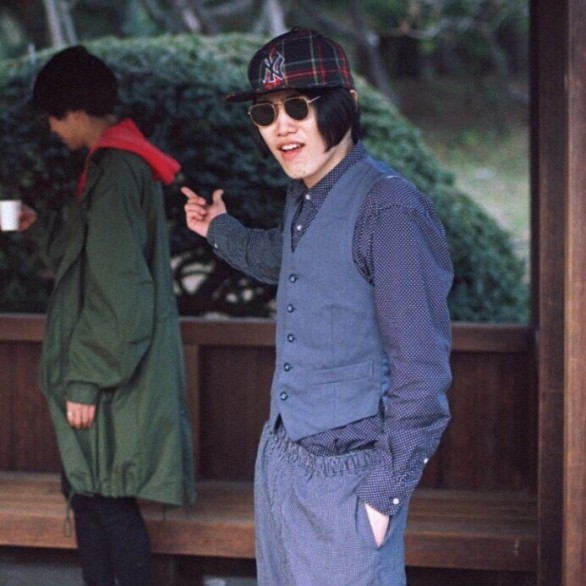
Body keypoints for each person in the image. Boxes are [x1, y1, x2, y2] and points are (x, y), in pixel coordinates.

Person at [183, 27, 453, 586]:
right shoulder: (306, 196)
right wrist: (219, 230)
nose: (281, 127)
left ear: (344, 105)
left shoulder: (389, 208)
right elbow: (287, 258)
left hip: (349, 482)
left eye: (298, 107)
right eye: (266, 112)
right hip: (282, 462)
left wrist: (379, 501)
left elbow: (422, 373)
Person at [19, 46, 195, 586]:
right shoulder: (114, 164)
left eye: (52, 116)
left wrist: (87, 379)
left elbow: (120, 289)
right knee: (91, 493)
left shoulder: (116, 171)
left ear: (73, 109)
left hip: (110, 375)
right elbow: (89, 259)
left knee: (107, 501)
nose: (51, 129)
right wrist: (34, 225)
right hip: (115, 369)